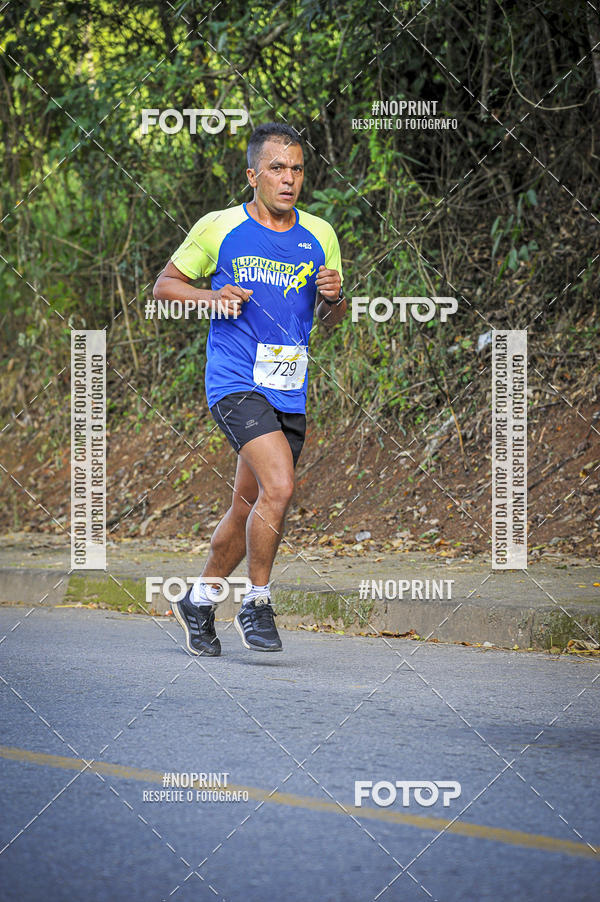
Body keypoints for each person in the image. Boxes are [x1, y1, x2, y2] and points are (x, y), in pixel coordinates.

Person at [153, 122, 346, 656]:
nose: (289, 179)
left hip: (288, 386)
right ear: (253, 175)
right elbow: (165, 286)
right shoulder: (219, 227)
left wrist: (333, 297)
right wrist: (209, 298)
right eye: (278, 168)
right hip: (235, 381)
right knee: (279, 488)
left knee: (248, 508)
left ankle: (199, 598)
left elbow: (332, 318)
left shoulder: (320, 233)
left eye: (298, 169)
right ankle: (257, 604)